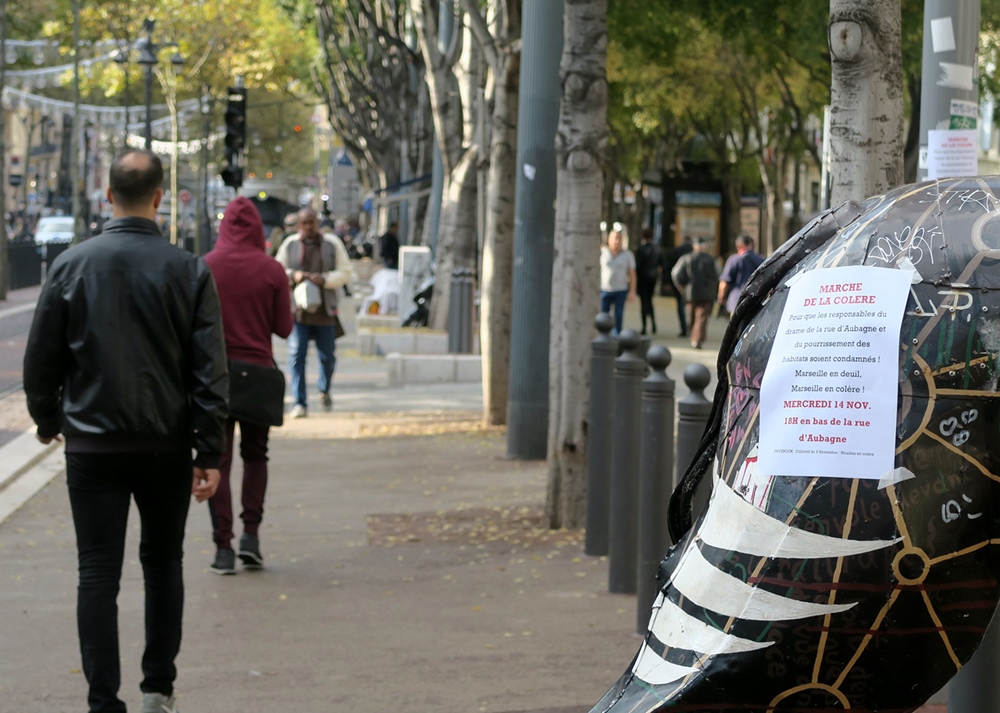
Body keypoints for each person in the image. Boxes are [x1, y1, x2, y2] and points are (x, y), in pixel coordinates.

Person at [23, 149, 227, 713]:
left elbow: (40, 360)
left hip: (91, 445)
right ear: (160, 198)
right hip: (165, 443)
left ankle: (101, 701)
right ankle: (157, 688)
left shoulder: (70, 265)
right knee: (163, 563)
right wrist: (208, 448)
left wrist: (48, 420)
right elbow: (210, 370)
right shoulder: (188, 270)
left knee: (97, 572)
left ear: (107, 197)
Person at [204, 197, 293, 575]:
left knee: (217, 460)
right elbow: (284, 328)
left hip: (216, 377)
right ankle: (251, 536)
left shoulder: (205, 267)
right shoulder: (272, 269)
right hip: (257, 375)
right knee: (256, 456)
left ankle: (223, 547)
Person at [275, 208, 353, 418]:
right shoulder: (290, 244)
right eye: (305, 223)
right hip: (298, 312)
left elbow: (346, 272)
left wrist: (326, 279)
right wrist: (294, 275)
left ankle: (324, 388)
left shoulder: (332, 244)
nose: (309, 227)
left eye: (312, 222)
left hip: (325, 311)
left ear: (317, 223)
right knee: (296, 355)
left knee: (327, 357)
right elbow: (278, 269)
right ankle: (300, 402)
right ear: (299, 225)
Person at [671, 237, 719, 349]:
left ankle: (694, 337)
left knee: (692, 316)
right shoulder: (712, 259)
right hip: (707, 293)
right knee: (702, 317)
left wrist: (681, 286)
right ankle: (697, 339)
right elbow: (719, 273)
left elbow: (675, 273)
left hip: (690, 292)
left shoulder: (686, 258)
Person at [599, 228, 637, 335]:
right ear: (609, 240)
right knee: (603, 316)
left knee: (618, 316)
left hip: (620, 290)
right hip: (605, 289)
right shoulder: (603, 252)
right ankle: (603, 336)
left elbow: (633, 275)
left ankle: (617, 337)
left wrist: (632, 291)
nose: (617, 241)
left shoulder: (627, 255)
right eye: (614, 238)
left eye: (619, 239)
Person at [718, 234, 765, 316]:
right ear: (752, 245)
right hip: (756, 300)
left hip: (737, 300)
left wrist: (721, 296)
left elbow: (724, 282)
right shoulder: (761, 259)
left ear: (738, 246)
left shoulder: (734, 260)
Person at [662, 236, 693, 337]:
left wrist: (668, 282)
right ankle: (693, 328)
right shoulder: (694, 252)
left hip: (680, 283)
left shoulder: (676, 251)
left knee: (680, 305)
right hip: (694, 284)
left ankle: (684, 328)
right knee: (694, 307)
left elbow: (669, 267)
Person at [633, 227, 661, 335]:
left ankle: (644, 326)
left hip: (643, 278)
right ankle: (653, 324)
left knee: (644, 302)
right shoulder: (657, 249)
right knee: (649, 300)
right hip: (652, 278)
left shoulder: (640, 249)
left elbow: (638, 265)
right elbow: (661, 264)